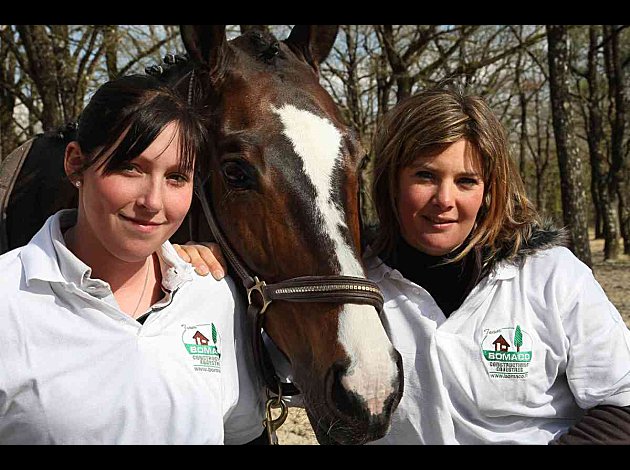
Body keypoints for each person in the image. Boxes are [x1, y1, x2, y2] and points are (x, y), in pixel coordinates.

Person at [179, 84, 630, 444]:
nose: (445, 201)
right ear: (392, 182)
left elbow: (623, 404)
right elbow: (258, 371)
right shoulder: (350, 289)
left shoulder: (553, 277)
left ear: (489, 191)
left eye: (466, 181)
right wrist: (208, 275)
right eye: (425, 176)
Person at [0, 74, 264, 445]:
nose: (153, 202)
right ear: (76, 164)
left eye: (176, 177)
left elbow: (238, 430)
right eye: (131, 168)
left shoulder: (214, 297)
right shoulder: (8, 298)